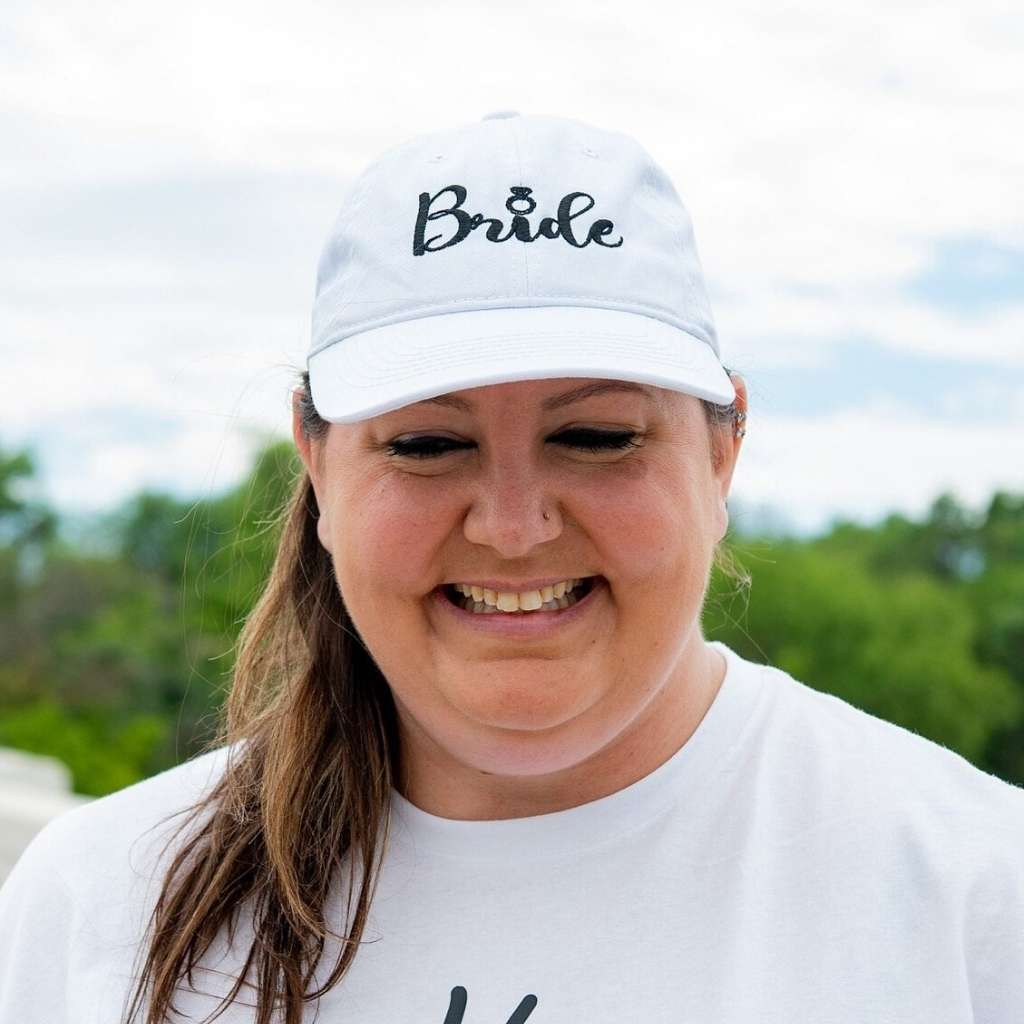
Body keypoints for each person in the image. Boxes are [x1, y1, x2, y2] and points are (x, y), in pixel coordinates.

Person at [0, 111, 1021, 1024]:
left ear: (722, 453)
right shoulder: (104, 907)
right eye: (427, 445)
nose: (514, 526)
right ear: (316, 465)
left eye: (597, 434)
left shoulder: (973, 897)